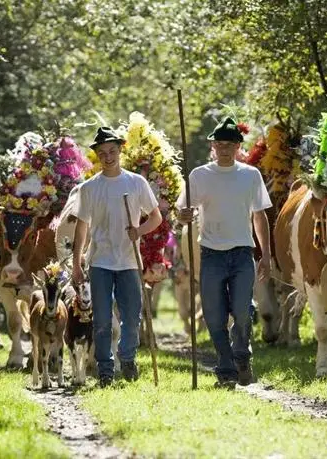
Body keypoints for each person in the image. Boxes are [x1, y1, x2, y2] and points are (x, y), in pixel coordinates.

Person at [177, 117, 272, 389]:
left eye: (229, 144)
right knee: (215, 317)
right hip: (211, 254)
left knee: (242, 312)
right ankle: (226, 368)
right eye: (219, 143)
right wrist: (183, 215)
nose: (224, 149)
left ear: (238, 146)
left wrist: (265, 254)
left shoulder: (250, 175)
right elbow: (184, 213)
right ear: (212, 146)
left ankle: (242, 356)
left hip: (242, 253)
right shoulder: (199, 175)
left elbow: (260, 216)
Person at [72, 126, 162, 387]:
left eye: (112, 151)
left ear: (120, 150)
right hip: (100, 260)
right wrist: (77, 263)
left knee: (132, 317)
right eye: (102, 152)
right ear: (97, 155)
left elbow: (155, 217)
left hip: (129, 261)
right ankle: (105, 368)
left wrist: (139, 231)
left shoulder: (136, 182)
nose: (108, 156)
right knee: (101, 319)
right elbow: (82, 227)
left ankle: (128, 358)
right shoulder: (89, 188)